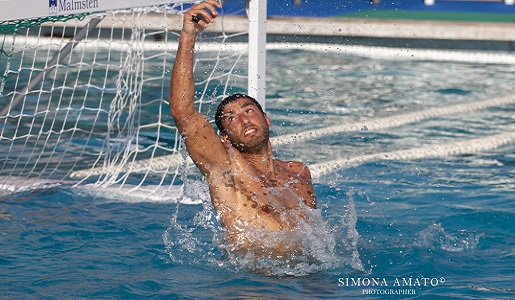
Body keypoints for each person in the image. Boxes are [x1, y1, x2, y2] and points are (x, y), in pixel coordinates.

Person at [169, 0, 317, 257]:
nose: (244, 119)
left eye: (248, 110)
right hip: (256, 285)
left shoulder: (298, 172)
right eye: (231, 118)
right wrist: (188, 35)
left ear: (266, 119)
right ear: (224, 138)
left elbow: (317, 239)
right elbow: (183, 113)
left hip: (310, 279)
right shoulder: (225, 167)